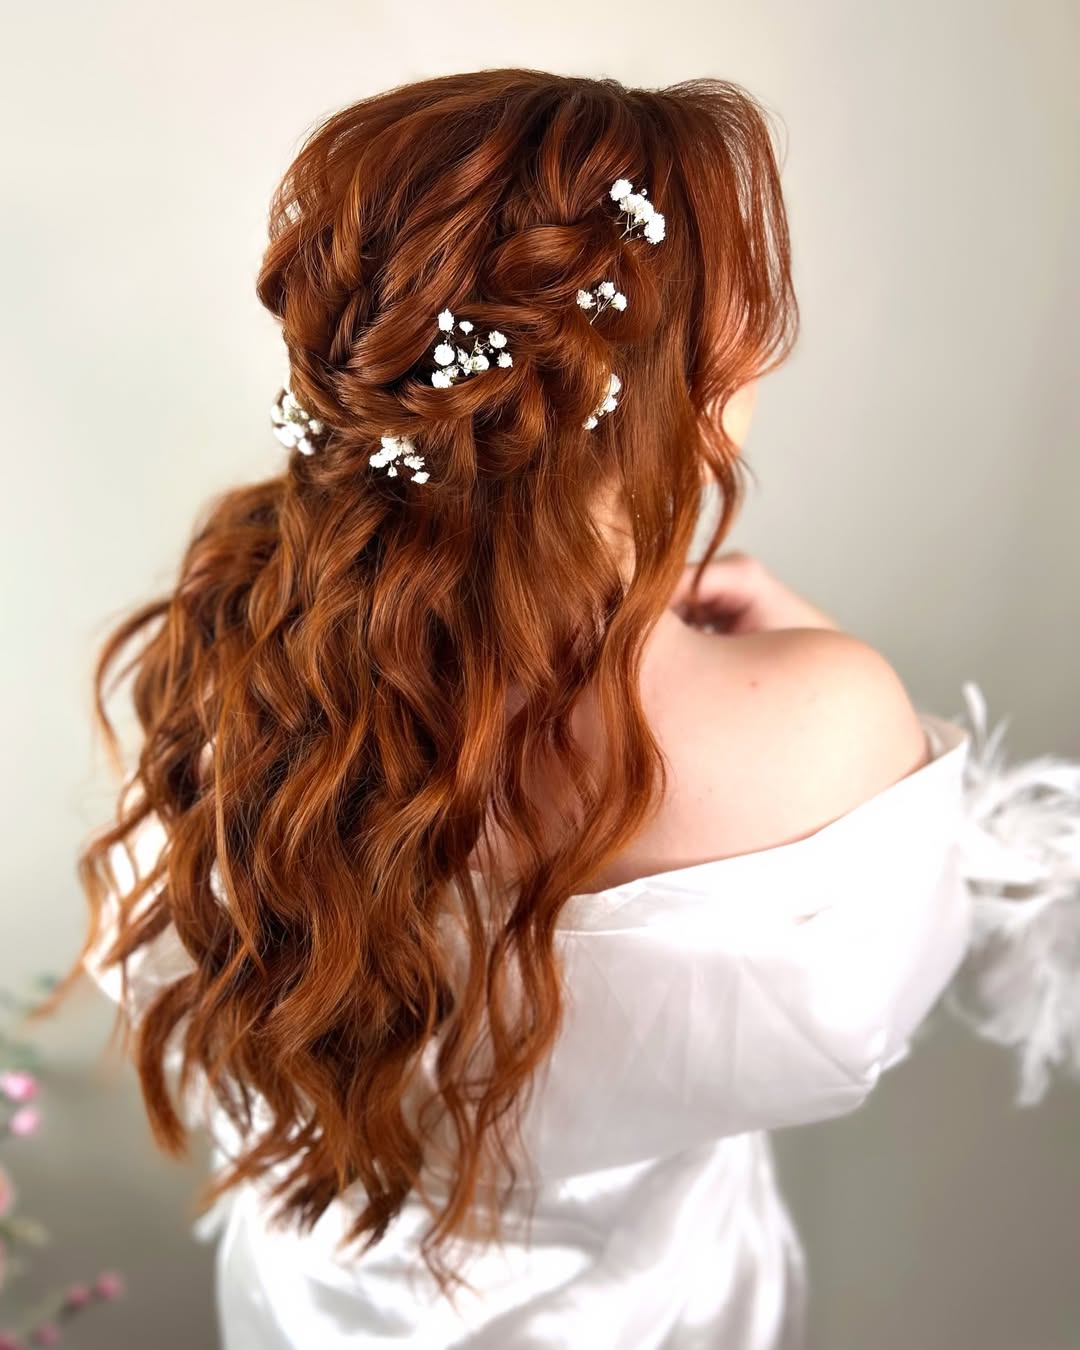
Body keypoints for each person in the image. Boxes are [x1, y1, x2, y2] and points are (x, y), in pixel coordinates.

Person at [53, 68, 1079, 1349]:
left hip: (319, 1295)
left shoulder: (224, 652)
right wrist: (804, 651)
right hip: (661, 1313)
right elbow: (875, 1008)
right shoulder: (825, 726)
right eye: (738, 304)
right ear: (695, 388)